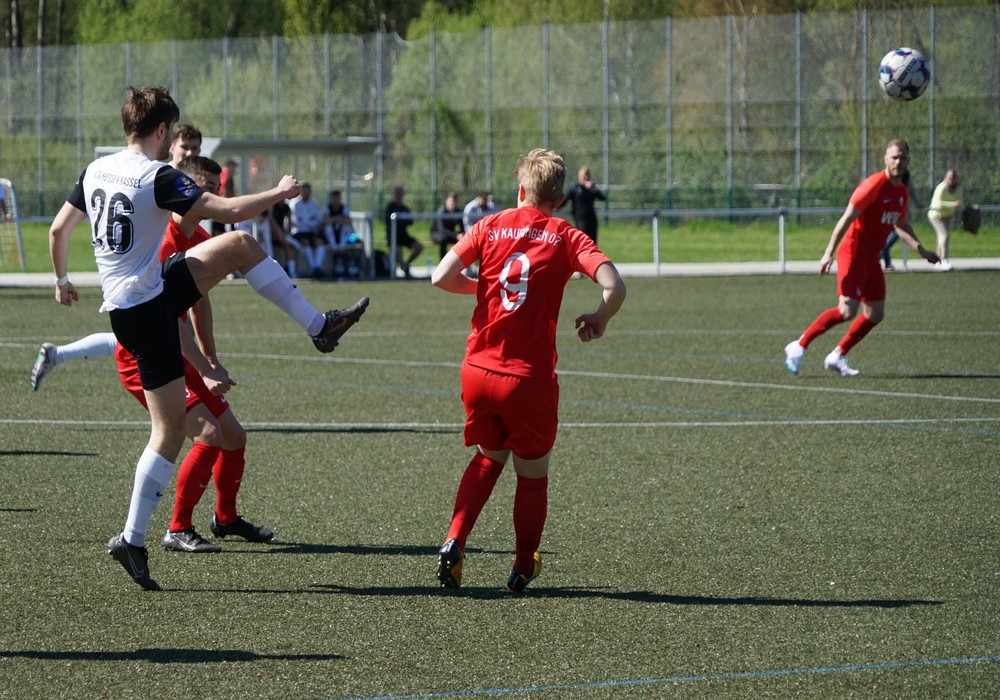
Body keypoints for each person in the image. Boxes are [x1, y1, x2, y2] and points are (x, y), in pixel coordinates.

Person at [48, 86, 370, 590]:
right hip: (145, 312)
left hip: (144, 296)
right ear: (161, 131)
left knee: (240, 246)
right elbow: (228, 208)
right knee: (170, 432)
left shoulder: (95, 170)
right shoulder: (155, 175)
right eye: (171, 134)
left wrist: (62, 279)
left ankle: (320, 327)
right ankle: (133, 539)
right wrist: (279, 193)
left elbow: (57, 231)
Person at [431, 148, 626, 592]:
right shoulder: (566, 235)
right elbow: (615, 286)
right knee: (532, 475)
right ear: (559, 200)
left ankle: (454, 540)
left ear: (520, 190)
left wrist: (483, 287)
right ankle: (522, 566)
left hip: (478, 371)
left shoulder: (490, 224)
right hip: (527, 378)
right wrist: (599, 318)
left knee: (488, 457)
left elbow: (440, 276)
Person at [783, 139, 938, 378]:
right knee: (846, 311)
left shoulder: (901, 193)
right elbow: (846, 219)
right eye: (894, 157)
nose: (898, 162)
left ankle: (837, 355)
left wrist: (922, 250)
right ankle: (799, 346)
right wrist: (828, 253)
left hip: (871, 258)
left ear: (908, 161)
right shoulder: (872, 186)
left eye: (902, 158)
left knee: (875, 313)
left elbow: (901, 224)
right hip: (853, 253)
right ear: (885, 159)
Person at [879, 168, 923, 270]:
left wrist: (917, 203)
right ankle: (885, 260)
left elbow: (911, 190)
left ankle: (884, 257)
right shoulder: (884, 175)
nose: (898, 162)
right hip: (885, 211)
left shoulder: (906, 175)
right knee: (884, 235)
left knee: (897, 232)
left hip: (898, 212)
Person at [384, 186, 423, 278]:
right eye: (398, 193)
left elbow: (410, 221)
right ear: (394, 195)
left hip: (403, 235)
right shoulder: (390, 207)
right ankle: (403, 268)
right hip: (393, 236)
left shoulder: (404, 208)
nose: (399, 195)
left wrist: (401, 221)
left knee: (419, 247)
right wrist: (402, 221)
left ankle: (406, 265)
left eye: (401, 193)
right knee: (398, 250)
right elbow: (388, 221)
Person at [927, 169, 962, 271]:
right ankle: (944, 260)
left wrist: (959, 206)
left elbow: (960, 201)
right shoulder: (941, 187)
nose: (952, 179)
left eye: (954, 177)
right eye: (949, 177)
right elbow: (938, 204)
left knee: (942, 237)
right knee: (944, 235)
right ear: (946, 178)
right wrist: (953, 205)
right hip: (936, 215)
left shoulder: (958, 188)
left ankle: (937, 261)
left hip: (948, 215)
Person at [560, 166, 606, 243]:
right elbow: (564, 201)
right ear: (579, 176)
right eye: (584, 175)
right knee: (582, 241)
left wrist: (593, 188)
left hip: (591, 219)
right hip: (580, 219)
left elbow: (602, 197)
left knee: (592, 242)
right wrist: (554, 207)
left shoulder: (591, 188)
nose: (586, 177)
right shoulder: (574, 187)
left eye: (587, 175)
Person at [291, 182, 326, 277]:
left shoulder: (314, 205)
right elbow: (297, 223)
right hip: (299, 232)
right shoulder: (296, 205)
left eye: (307, 191)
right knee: (305, 242)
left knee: (320, 243)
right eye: (304, 191)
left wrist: (305, 221)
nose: (306, 194)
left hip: (311, 232)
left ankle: (318, 267)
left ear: (310, 192)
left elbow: (316, 221)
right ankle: (314, 268)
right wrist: (309, 221)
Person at [322, 190, 357, 278]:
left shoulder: (344, 208)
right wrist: (338, 218)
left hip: (342, 235)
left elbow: (348, 221)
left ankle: (342, 248)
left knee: (345, 227)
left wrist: (334, 219)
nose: (335, 201)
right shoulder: (327, 208)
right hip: (331, 236)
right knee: (328, 227)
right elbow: (326, 221)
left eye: (336, 198)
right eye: (333, 198)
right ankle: (334, 248)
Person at [430, 192, 463, 260]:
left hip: (450, 234)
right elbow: (442, 229)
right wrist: (456, 236)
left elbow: (462, 226)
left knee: (464, 239)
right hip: (437, 233)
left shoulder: (458, 211)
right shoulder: (442, 211)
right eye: (451, 201)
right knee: (443, 239)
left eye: (455, 201)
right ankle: (443, 262)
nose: (453, 203)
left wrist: (462, 234)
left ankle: (460, 262)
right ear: (447, 201)